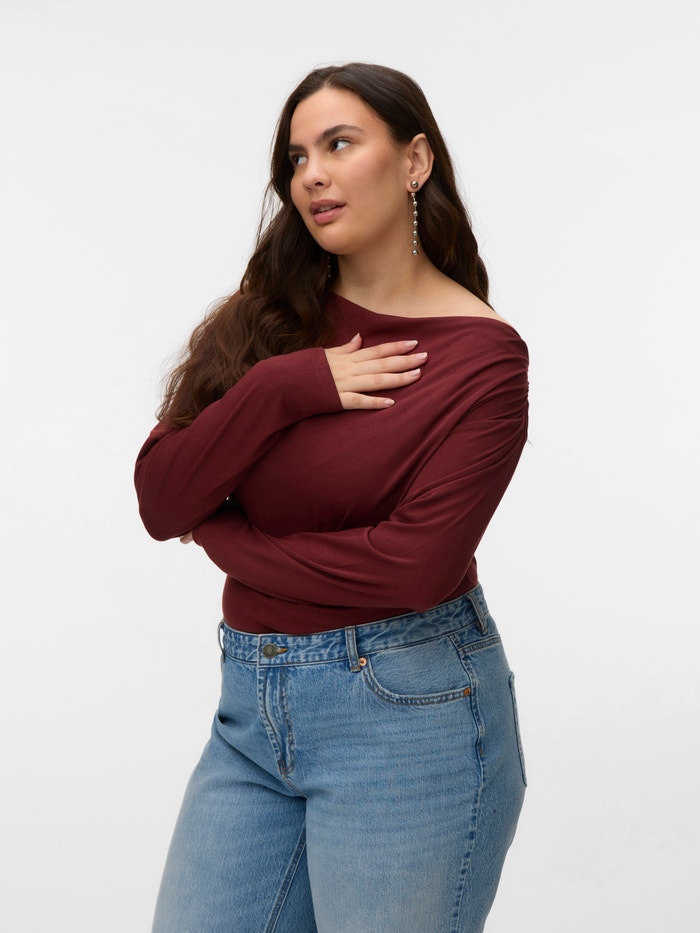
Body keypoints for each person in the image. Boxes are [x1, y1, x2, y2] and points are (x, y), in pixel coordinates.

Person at [135, 62, 529, 933]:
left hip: (409, 715)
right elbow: (164, 498)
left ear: (414, 161)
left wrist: (229, 541)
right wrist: (285, 386)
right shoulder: (267, 320)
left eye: (339, 144)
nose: (311, 173)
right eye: (297, 157)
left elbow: (412, 568)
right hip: (251, 711)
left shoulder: (481, 360)